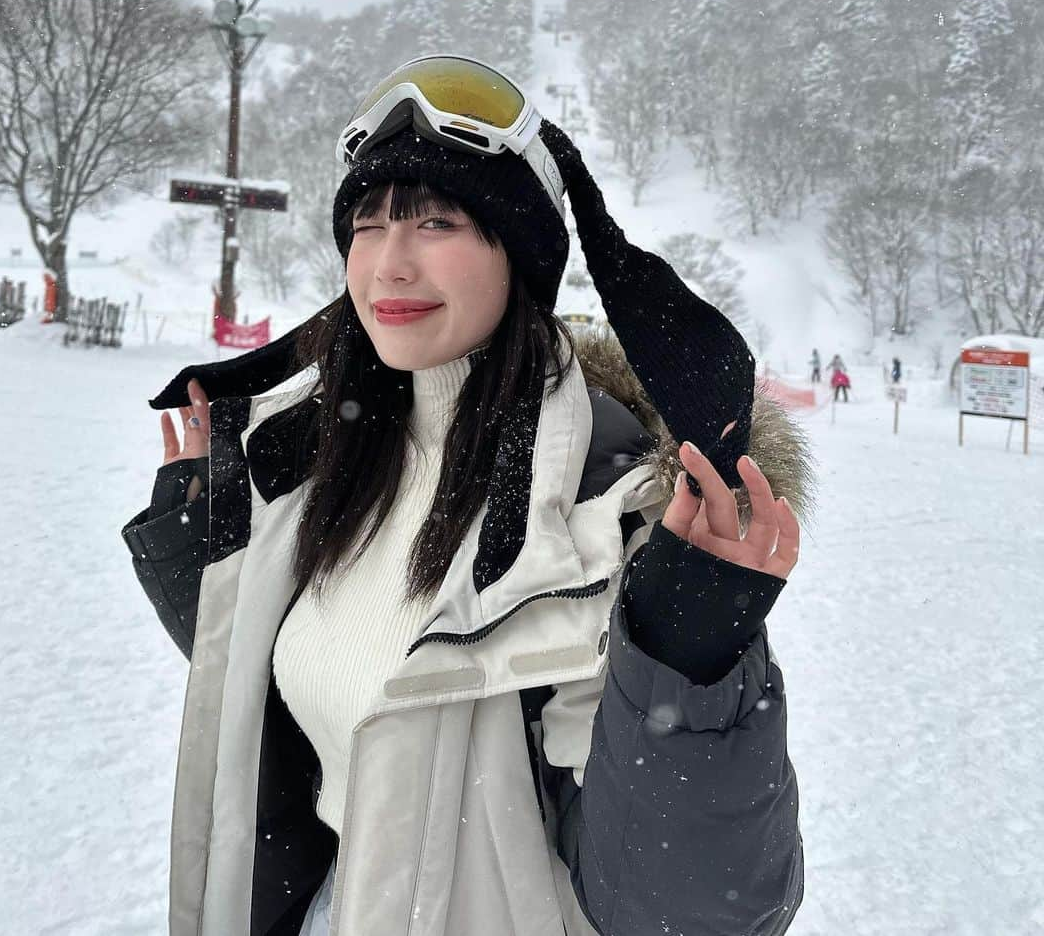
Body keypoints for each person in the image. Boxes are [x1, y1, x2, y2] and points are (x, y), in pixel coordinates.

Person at [122, 54, 813, 936]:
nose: (388, 266)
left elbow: (691, 913)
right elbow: (320, 713)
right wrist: (209, 563)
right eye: (366, 225)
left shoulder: (605, 505)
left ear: (518, 258)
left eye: (437, 222)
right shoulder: (316, 459)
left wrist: (688, 658)